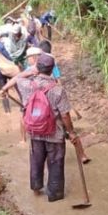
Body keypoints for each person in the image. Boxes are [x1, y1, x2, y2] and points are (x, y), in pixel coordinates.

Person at [12, 54, 78, 202]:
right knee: (55, 163)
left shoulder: (26, 84)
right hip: (54, 133)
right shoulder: (58, 89)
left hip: (35, 132)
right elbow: (65, 115)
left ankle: (36, 188)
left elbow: (18, 78)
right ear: (52, 69)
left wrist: (30, 71)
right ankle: (54, 194)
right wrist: (71, 132)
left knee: (36, 160)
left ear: (37, 67)